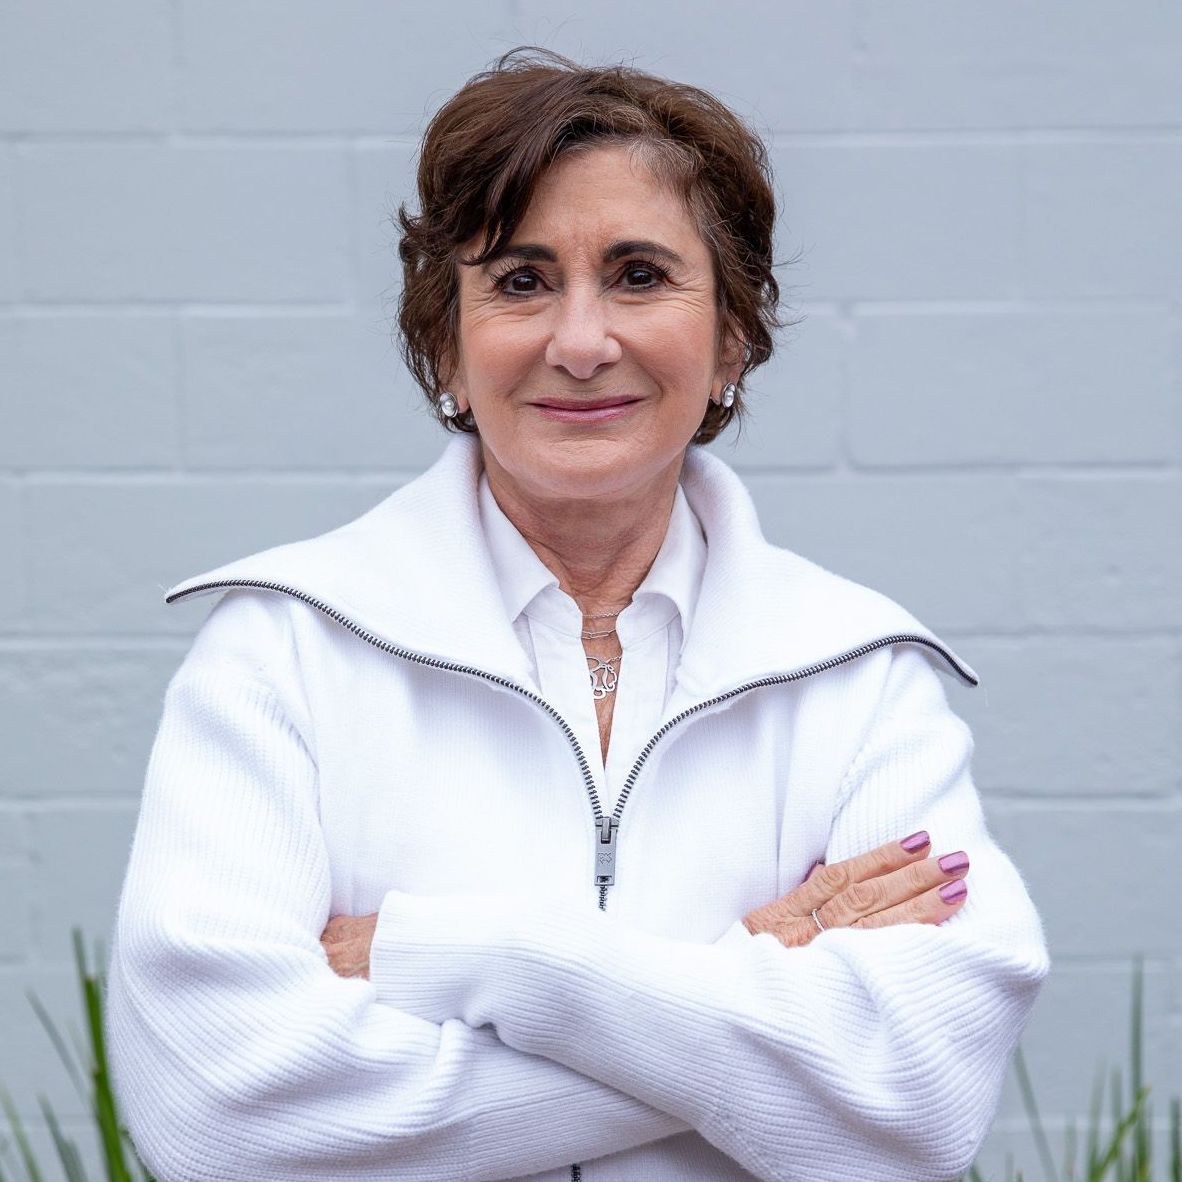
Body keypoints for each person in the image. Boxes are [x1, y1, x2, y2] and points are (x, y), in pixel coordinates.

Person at [107, 49, 1048, 1182]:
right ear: (445, 347)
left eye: (641, 275)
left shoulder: (853, 677)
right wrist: (740, 970)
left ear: (734, 338)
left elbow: (914, 1111)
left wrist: (476, 957)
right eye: (519, 280)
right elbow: (219, 1116)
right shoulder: (283, 654)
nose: (581, 340)